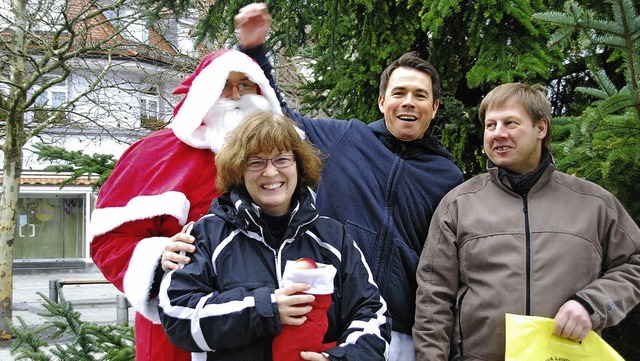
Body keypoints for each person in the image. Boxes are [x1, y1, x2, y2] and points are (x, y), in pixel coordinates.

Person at [233, 4, 464, 360]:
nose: (409, 102)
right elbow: (277, 114)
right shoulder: (343, 139)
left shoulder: (446, 176)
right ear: (382, 100)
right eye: (400, 92)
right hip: (331, 317)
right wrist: (253, 51)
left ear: (433, 108)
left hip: (404, 332)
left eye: (420, 96)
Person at [413, 82, 640, 360]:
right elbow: (433, 297)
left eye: (510, 123)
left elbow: (634, 263)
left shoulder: (593, 204)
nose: (498, 134)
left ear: (541, 128)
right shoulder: (459, 204)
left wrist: (591, 304)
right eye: (490, 125)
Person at [89, 49, 283, 361]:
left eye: (245, 85)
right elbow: (109, 242)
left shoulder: (284, 160)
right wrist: (156, 255)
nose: (235, 96)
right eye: (224, 86)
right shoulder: (155, 154)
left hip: (266, 328)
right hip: (178, 336)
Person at [157, 110, 391, 361]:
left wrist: (339, 359)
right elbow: (177, 315)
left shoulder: (334, 237)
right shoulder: (205, 235)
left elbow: (373, 314)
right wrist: (266, 308)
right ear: (239, 170)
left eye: (281, 159)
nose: (270, 173)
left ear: (299, 165)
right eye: (256, 162)